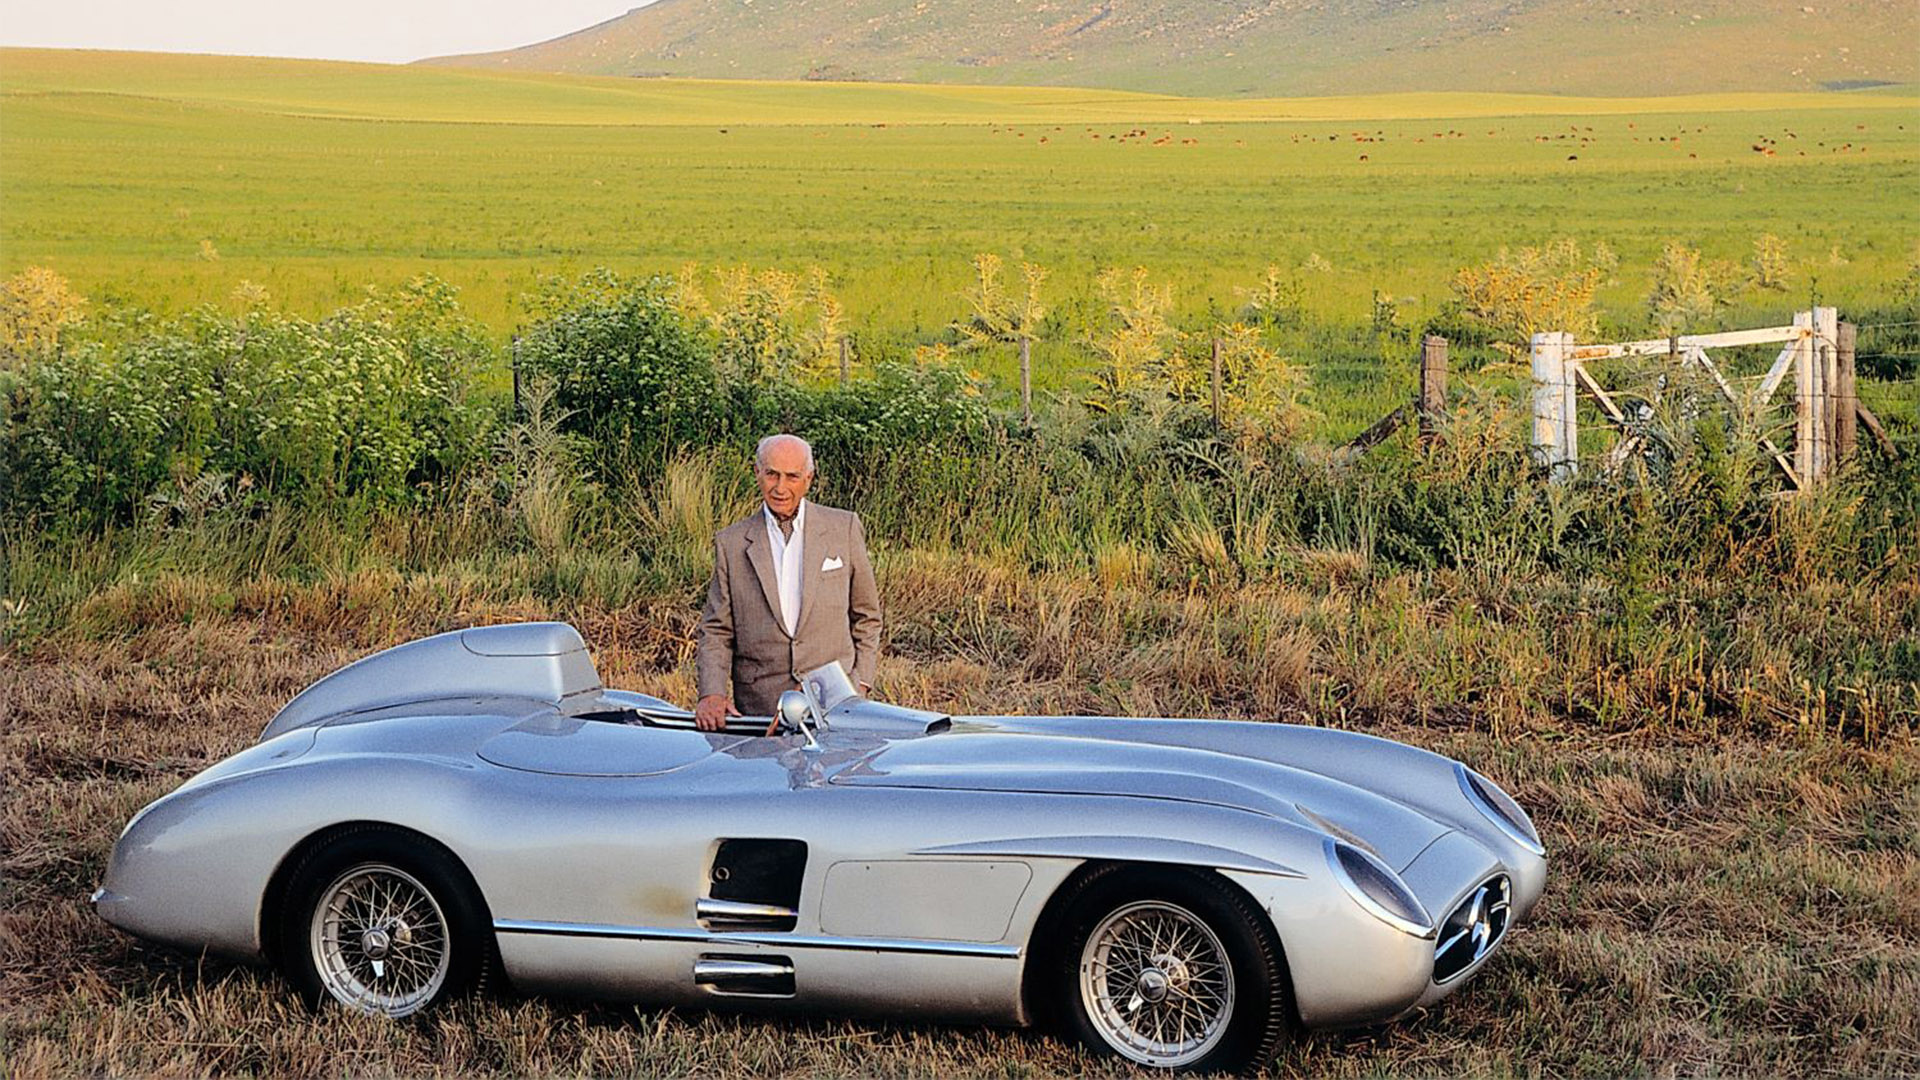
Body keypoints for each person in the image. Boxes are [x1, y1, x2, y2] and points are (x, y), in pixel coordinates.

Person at [694, 434, 881, 732]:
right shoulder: (731, 543)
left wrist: (860, 683)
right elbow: (716, 630)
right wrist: (711, 693)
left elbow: (867, 617)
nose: (780, 488)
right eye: (772, 474)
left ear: (808, 478)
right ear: (757, 473)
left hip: (836, 705)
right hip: (759, 711)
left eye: (792, 476)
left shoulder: (843, 528)